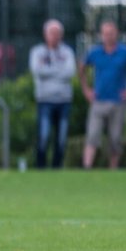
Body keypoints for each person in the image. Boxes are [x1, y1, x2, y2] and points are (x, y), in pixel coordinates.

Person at [80, 20, 126, 169]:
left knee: (115, 138)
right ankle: (87, 166)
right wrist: (86, 89)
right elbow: (81, 67)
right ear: (101, 35)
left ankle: (113, 168)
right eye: (105, 34)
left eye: (111, 33)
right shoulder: (95, 52)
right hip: (98, 100)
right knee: (92, 135)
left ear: (116, 34)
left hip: (118, 101)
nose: (108, 36)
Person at [28, 19, 77, 169]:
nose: (55, 36)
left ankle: (57, 168)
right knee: (44, 135)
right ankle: (41, 167)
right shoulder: (37, 52)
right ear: (45, 34)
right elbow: (37, 71)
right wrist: (58, 71)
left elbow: (70, 72)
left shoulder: (67, 52)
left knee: (61, 138)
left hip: (64, 100)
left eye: (57, 33)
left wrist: (48, 71)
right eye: (51, 33)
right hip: (44, 100)